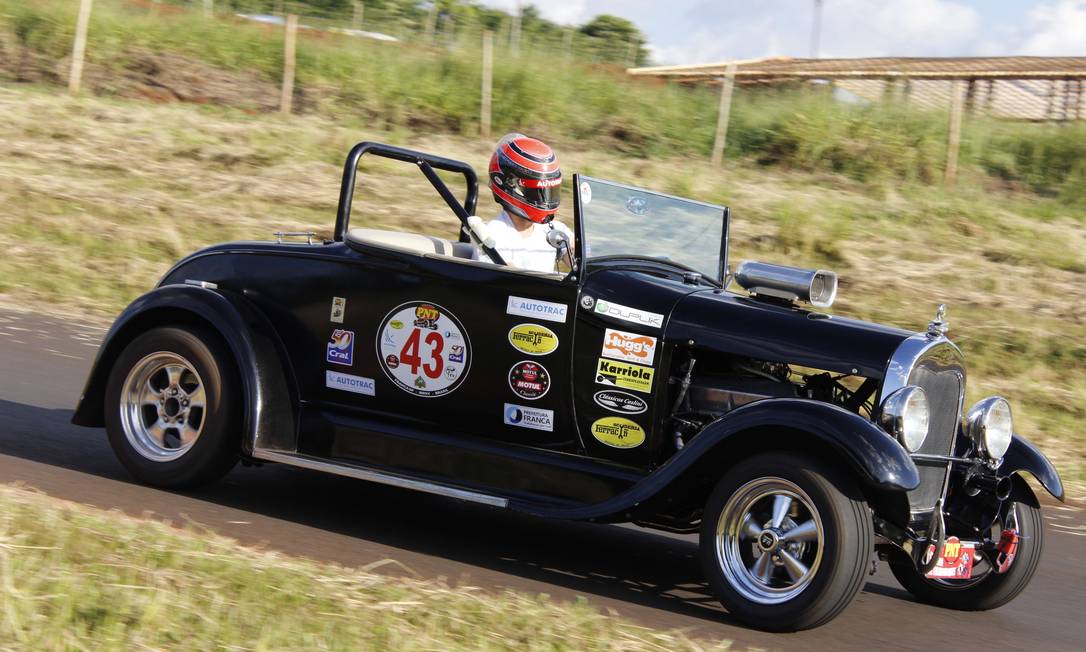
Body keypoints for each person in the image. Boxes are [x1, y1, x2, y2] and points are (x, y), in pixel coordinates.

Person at [483, 133, 574, 273]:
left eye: (550, 191)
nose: (545, 200)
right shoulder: (492, 235)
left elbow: (585, 263)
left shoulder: (553, 231)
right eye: (537, 192)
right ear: (512, 186)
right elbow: (513, 282)